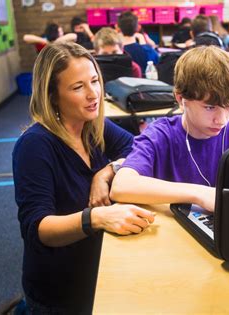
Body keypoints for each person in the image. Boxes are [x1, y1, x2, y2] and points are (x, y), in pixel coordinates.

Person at [12, 42, 155, 313]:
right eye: (78, 87)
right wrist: (96, 218)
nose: (94, 94)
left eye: (94, 81)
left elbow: (140, 150)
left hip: (102, 267)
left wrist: (107, 171)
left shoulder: (92, 127)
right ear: (52, 95)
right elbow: (37, 229)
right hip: (60, 290)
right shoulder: (34, 146)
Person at [110, 46, 229, 212]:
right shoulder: (159, 135)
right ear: (181, 99)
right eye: (210, 107)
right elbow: (121, 186)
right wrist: (199, 194)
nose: (222, 120)